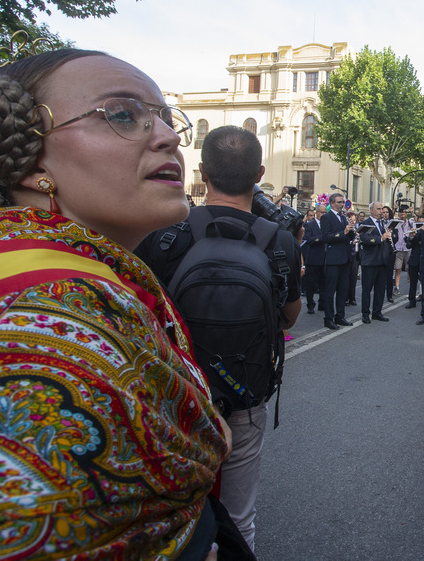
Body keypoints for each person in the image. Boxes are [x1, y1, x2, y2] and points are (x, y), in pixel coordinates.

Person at [0, 49, 233, 559]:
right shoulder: (37, 314)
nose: (167, 137)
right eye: (122, 115)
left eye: (167, 118)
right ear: (29, 160)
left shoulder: (82, 279)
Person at [137, 125, 301, 551]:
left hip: (174, 396)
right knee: (240, 513)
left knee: (171, 509)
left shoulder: (165, 233)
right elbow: (288, 315)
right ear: (260, 173)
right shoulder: (280, 240)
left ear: (203, 173)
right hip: (246, 393)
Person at [320, 193, 355, 330]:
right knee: (330, 290)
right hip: (333, 259)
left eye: (343, 202)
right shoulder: (326, 217)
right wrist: (343, 233)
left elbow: (349, 236)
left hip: (345, 258)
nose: (342, 205)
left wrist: (351, 229)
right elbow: (326, 237)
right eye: (339, 202)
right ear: (332, 203)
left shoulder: (343, 217)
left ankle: (340, 316)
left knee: (343, 290)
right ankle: (328, 318)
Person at [358, 201, 394, 323]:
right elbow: (365, 239)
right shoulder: (365, 223)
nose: (381, 212)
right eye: (378, 209)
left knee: (380, 289)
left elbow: (390, 240)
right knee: (367, 289)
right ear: (371, 210)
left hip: (383, 260)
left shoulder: (384, 223)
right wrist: (380, 238)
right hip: (370, 261)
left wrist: (390, 235)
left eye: (382, 209)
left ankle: (377, 312)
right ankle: (365, 313)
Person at [302, 208, 326, 314]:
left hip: (325, 259)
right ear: (317, 213)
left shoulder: (327, 225)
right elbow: (308, 240)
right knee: (310, 284)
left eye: (325, 212)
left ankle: (322, 303)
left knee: (323, 283)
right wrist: (321, 237)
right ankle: (310, 304)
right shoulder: (309, 225)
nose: (323, 214)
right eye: (321, 212)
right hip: (313, 259)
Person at [405, 213, 424, 309]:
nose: (421, 226)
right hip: (414, 260)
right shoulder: (414, 232)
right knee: (413, 282)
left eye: (423, 223)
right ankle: (411, 301)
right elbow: (408, 245)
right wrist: (411, 237)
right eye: (419, 223)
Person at [394, 205, 414, 296]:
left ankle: (411, 288)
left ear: (407, 214)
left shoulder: (410, 223)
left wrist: (413, 213)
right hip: (398, 248)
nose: (402, 214)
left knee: (409, 268)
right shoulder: (395, 223)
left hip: (407, 248)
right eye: (401, 212)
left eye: (404, 212)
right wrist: (393, 209)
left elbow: (417, 222)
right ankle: (397, 287)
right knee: (397, 268)